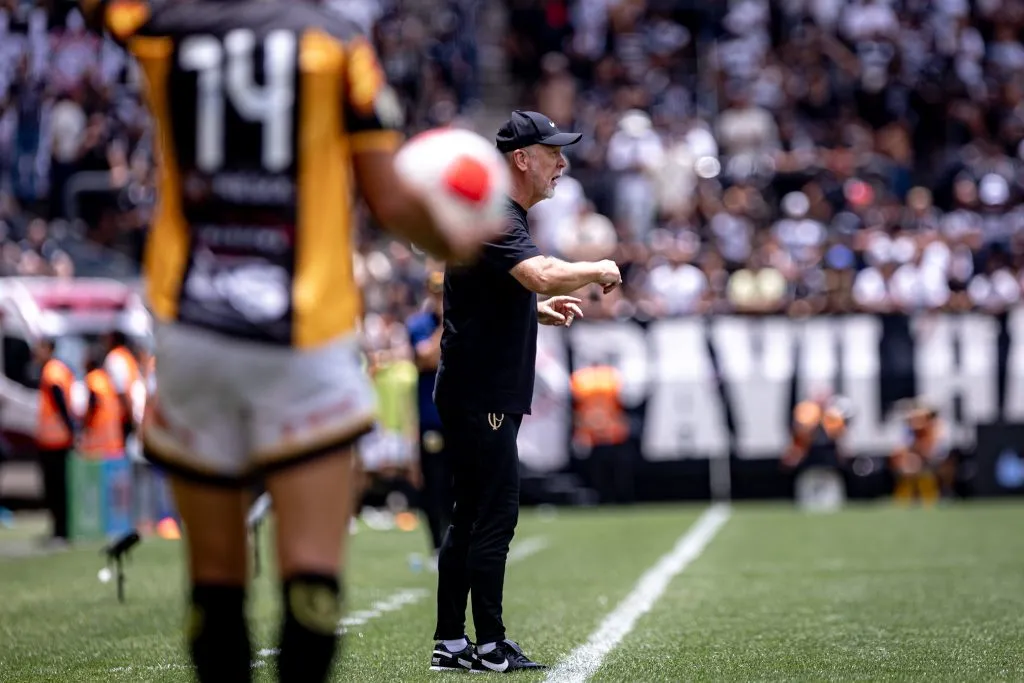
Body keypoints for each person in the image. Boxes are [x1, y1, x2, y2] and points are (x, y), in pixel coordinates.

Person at [78, 1, 499, 681]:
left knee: (215, 591)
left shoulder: (159, 23)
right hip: (302, 335)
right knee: (311, 583)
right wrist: (457, 240)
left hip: (193, 328)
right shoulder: (336, 43)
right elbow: (389, 202)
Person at [430, 110, 623, 673]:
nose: (561, 164)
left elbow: (482, 292)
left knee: (471, 515)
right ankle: (489, 645)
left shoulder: (496, 213)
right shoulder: (497, 214)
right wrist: (598, 266)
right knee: (495, 515)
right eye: (553, 153)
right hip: (482, 392)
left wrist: (533, 310)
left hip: (474, 387)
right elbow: (535, 272)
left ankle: (452, 643)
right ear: (522, 158)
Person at [406, 270, 451, 560]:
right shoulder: (420, 325)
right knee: (434, 484)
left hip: (460, 413)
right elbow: (426, 358)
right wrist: (447, 326)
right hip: (431, 417)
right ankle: (437, 544)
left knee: (461, 483)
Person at [34, 338, 77, 546]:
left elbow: (60, 403)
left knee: (56, 488)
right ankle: (59, 530)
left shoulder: (51, 371)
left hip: (55, 441)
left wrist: (71, 430)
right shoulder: (59, 369)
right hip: (55, 440)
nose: (36, 353)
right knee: (57, 488)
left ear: (48, 349)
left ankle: (61, 531)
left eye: (40, 348)